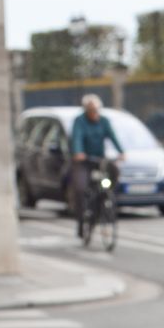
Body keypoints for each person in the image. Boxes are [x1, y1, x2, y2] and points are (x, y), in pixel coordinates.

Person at [69, 95, 122, 236]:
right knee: (80, 188)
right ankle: (81, 220)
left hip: (99, 160)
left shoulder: (104, 121)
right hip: (83, 161)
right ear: (86, 110)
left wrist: (121, 151)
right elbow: (77, 137)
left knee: (113, 172)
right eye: (92, 110)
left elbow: (113, 136)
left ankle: (105, 199)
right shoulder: (79, 121)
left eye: (97, 110)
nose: (95, 113)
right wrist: (78, 152)